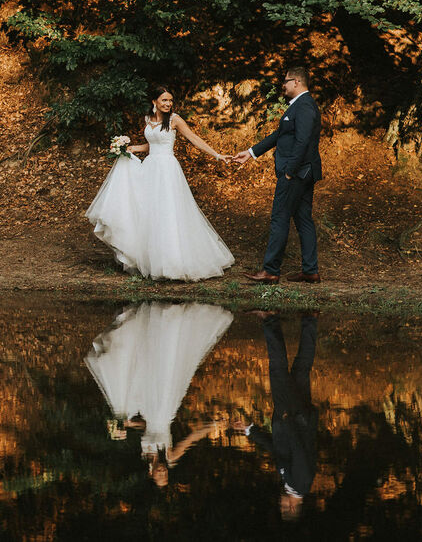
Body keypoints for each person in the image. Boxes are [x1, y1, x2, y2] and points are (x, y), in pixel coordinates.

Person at [86, 85, 234, 281]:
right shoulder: (148, 119)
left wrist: (217, 155)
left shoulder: (175, 120)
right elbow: (152, 144)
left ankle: (173, 263)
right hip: (150, 168)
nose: (168, 104)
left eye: (170, 100)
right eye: (164, 100)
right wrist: (131, 148)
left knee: (168, 212)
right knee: (149, 212)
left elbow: (193, 138)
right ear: (154, 102)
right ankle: (150, 260)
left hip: (167, 170)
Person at [85, 302, 234, 487]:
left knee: (149, 367)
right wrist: (212, 426)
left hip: (148, 408)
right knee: (167, 368)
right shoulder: (170, 456)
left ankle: (153, 326)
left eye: (159, 476)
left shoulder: (146, 453)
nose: (163, 473)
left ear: (152, 474)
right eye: (165, 476)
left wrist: (129, 424)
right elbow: (190, 439)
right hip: (164, 407)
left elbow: (147, 427)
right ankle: (172, 323)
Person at [232, 67, 322, 284]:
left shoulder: (305, 106)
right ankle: (310, 271)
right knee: (303, 219)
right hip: (301, 171)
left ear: (297, 82)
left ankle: (271, 270)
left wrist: (289, 172)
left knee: (280, 217)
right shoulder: (298, 106)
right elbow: (280, 134)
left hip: (297, 172)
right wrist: (251, 152)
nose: (283, 85)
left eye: (286, 81)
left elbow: (302, 142)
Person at [232, 310, 319, 521]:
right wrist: (288, 420)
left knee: (300, 369)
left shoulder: (292, 485)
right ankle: (270, 319)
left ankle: (311, 319)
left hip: (295, 415)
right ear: (290, 508)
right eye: (282, 507)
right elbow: (298, 449)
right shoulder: (301, 482)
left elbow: (277, 450)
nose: (280, 503)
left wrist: (249, 430)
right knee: (278, 369)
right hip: (292, 415)